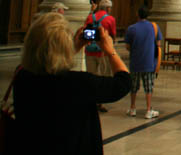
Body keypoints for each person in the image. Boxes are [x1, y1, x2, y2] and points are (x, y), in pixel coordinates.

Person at [12, 12, 130, 154]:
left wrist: (72, 48)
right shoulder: (78, 83)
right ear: (64, 45)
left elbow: (48, 67)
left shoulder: (22, 76)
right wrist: (110, 50)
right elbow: (123, 82)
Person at [124, 6, 162, 119]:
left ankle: (132, 108)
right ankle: (149, 109)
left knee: (134, 86)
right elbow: (159, 44)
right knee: (148, 87)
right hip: (149, 62)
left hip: (135, 62)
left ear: (137, 14)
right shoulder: (154, 27)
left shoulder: (131, 28)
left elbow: (127, 46)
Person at [84, 0, 117, 112]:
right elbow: (113, 35)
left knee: (90, 76)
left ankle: (90, 100)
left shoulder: (90, 17)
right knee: (103, 78)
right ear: (108, 8)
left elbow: (85, 32)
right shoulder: (110, 19)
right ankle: (100, 102)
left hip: (89, 51)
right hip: (103, 52)